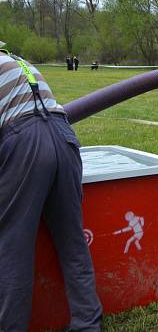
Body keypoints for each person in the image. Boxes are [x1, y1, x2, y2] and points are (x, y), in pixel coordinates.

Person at [0, 40, 103, 329]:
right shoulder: (19, 62)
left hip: (25, 143)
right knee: (72, 243)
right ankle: (87, 324)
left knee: (12, 247)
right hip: (63, 135)